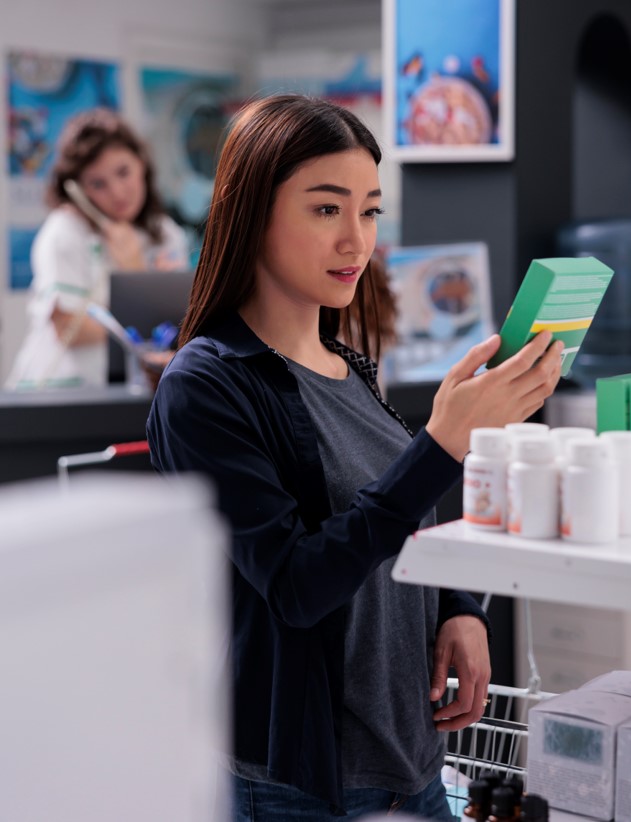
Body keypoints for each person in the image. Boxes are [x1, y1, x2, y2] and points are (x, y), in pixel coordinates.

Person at [146, 94, 563, 820]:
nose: (356, 241)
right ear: (251, 212)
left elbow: (389, 518)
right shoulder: (205, 388)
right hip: (303, 785)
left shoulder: (348, 364)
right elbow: (297, 584)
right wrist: (438, 447)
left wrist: (458, 608)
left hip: (414, 761)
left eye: (369, 211)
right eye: (325, 209)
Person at [6, 108, 188, 390]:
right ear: (78, 190)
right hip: (60, 390)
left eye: (123, 172)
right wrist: (139, 282)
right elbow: (69, 328)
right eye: (98, 183)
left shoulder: (167, 235)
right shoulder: (64, 231)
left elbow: (180, 329)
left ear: (142, 163)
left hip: (139, 391)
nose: (117, 193)